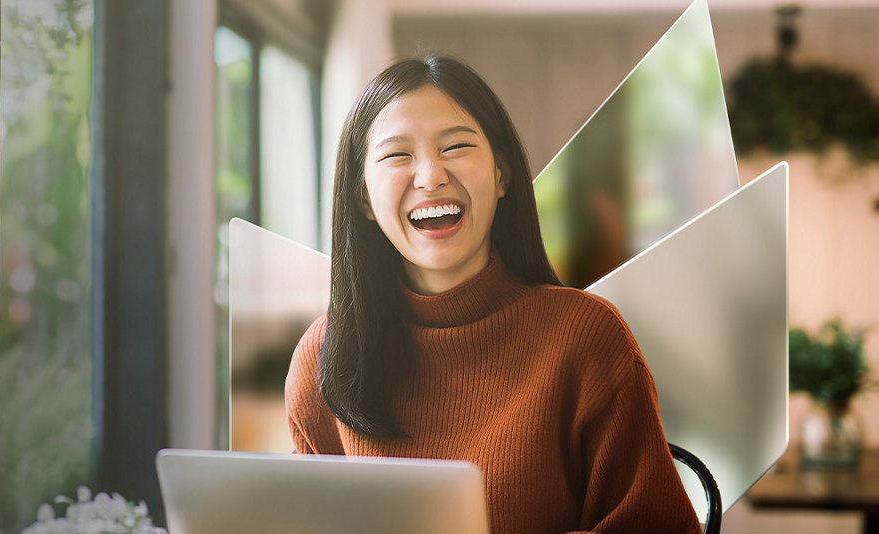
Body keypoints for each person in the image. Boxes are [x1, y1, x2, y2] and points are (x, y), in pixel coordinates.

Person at [284, 56, 701, 534]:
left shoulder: (586, 337)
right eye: (397, 155)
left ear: (501, 175)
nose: (430, 176)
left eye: (456, 146)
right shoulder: (324, 356)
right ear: (363, 199)